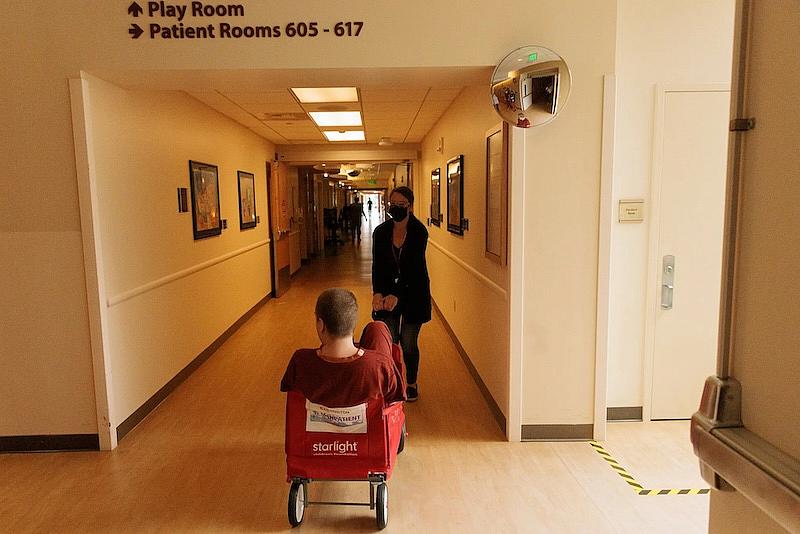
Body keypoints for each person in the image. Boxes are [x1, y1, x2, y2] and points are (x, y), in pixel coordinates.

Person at [280, 288, 404, 407]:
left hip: (314, 428)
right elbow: (395, 400)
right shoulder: (381, 365)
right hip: (370, 426)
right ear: (353, 322)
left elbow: (291, 390)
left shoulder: (301, 360)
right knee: (377, 328)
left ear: (321, 324)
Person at [371, 186, 431, 402]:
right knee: (390, 341)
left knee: (408, 342)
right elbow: (377, 266)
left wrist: (397, 294)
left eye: (401, 205)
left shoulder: (418, 231)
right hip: (387, 295)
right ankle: (392, 382)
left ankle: (411, 382)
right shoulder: (380, 232)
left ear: (410, 206)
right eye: (393, 204)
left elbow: (413, 269)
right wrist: (378, 292)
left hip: (414, 292)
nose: (395, 208)